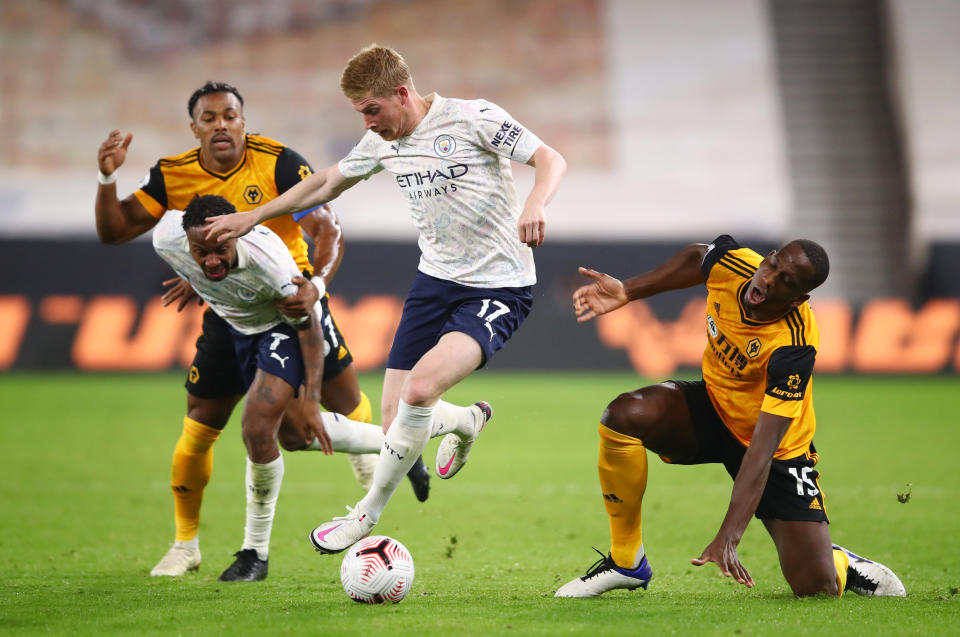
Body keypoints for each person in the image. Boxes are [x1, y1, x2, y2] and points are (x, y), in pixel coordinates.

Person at [204, 44, 568, 553]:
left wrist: (535, 201)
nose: (369, 123)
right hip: (434, 283)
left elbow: (550, 159)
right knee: (397, 423)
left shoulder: (472, 118)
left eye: (372, 110)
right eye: (361, 115)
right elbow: (327, 182)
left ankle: (365, 513)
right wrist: (253, 216)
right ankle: (466, 420)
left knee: (419, 393)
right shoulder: (381, 142)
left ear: (402, 94)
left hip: (500, 285)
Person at [94, 80, 429, 578]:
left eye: (230, 115)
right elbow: (117, 231)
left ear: (243, 121)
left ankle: (386, 453)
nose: (221, 125)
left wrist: (314, 285)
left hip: (290, 299)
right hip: (228, 310)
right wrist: (108, 182)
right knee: (205, 427)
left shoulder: (277, 163)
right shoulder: (173, 178)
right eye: (210, 118)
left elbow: (326, 228)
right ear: (195, 128)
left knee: (337, 401)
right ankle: (187, 545)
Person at [555, 235, 906, 598]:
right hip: (713, 407)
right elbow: (697, 258)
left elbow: (761, 450)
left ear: (799, 299)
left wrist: (729, 536)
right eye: (773, 266)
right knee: (626, 414)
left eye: (786, 282)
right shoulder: (734, 265)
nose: (769, 280)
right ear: (768, 257)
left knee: (815, 587)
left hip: (774, 448)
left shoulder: (794, 345)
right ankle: (626, 561)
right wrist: (628, 290)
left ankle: (839, 563)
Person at [153, 194, 389, 581]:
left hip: (281, 328)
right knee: (293, 437)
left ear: (238, 234)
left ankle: (254, 554)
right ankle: (399, 442)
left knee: (257, 427)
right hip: (229, 328)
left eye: (220, 250)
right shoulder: (166, 237)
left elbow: (309, 322)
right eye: (200, 252)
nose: (211, 260)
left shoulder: (270, 263)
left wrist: (312, 399)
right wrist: (190, 274)